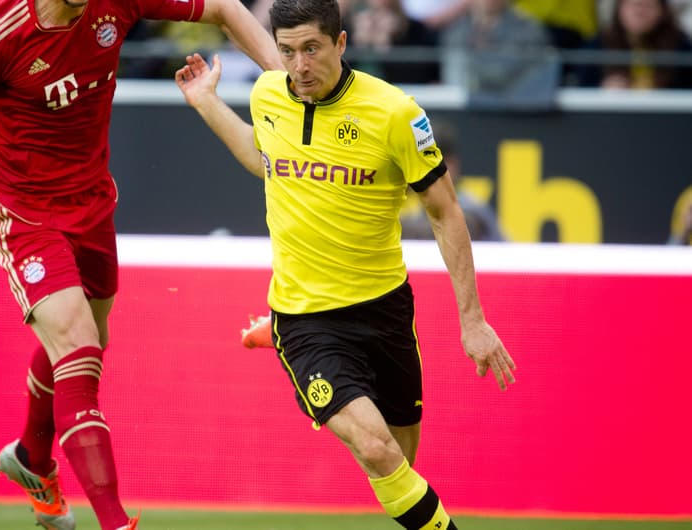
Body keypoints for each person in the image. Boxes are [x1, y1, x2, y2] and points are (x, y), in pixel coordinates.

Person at [0, 0, 282, 528]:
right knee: (79, 349)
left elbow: (225, 7)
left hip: (91, 205)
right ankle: (114, 521)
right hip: (21, 210)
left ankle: (30, 458)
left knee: (89, 340)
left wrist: (291, 83)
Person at [174, 0, 516, 527]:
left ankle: (278, 337)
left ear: (340, 43)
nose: (299, 65)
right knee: (377, 448)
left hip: (383, 310)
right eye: (286, 51)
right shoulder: (269, 94)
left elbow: (446, 213)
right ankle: (284, 334)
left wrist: (473, 321)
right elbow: (267, 162)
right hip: (306, 315)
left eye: (311, 49)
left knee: (401, 461)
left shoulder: (396, 114)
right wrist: (206, 104)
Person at [400, 121, 507, 241]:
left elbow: (466, 225)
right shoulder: (417, 214)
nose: (426, 175)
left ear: (452, 164)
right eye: (421, 165)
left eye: (432, 165)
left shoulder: (475, 213)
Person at [576, 0, 692, 89]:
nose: (639, 12)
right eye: (634, 4)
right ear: (619, 9)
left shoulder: (680, 47)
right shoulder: (598, 45)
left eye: (648, 6)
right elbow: (581, 88)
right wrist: (603, 89)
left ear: (662, 11)